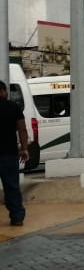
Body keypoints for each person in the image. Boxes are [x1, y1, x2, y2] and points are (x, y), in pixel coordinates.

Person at [0, 80, 30, 227]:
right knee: (12, 186)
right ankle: (17, 217)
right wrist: (24, 148)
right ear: (3, 92)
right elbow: (22, 129)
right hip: (9, 154)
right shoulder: (14, 107)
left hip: (8, 154)